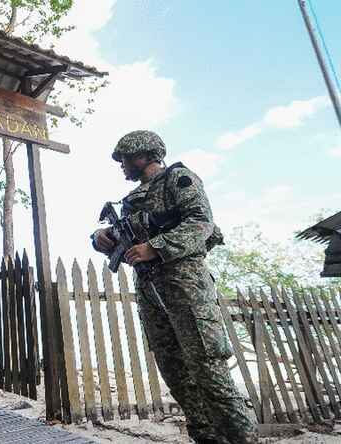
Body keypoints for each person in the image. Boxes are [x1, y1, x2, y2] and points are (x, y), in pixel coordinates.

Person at [92, 130, 257, 444]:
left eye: (125, 158)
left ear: (145, 155)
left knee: (210, 373)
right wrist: (102, 237)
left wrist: (156, 246)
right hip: (151, 291)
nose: (121, 165)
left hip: (186, 287)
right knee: (176, 374)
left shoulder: (178, 179)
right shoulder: (132, 200)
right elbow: (126, 237)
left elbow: (201, 221)